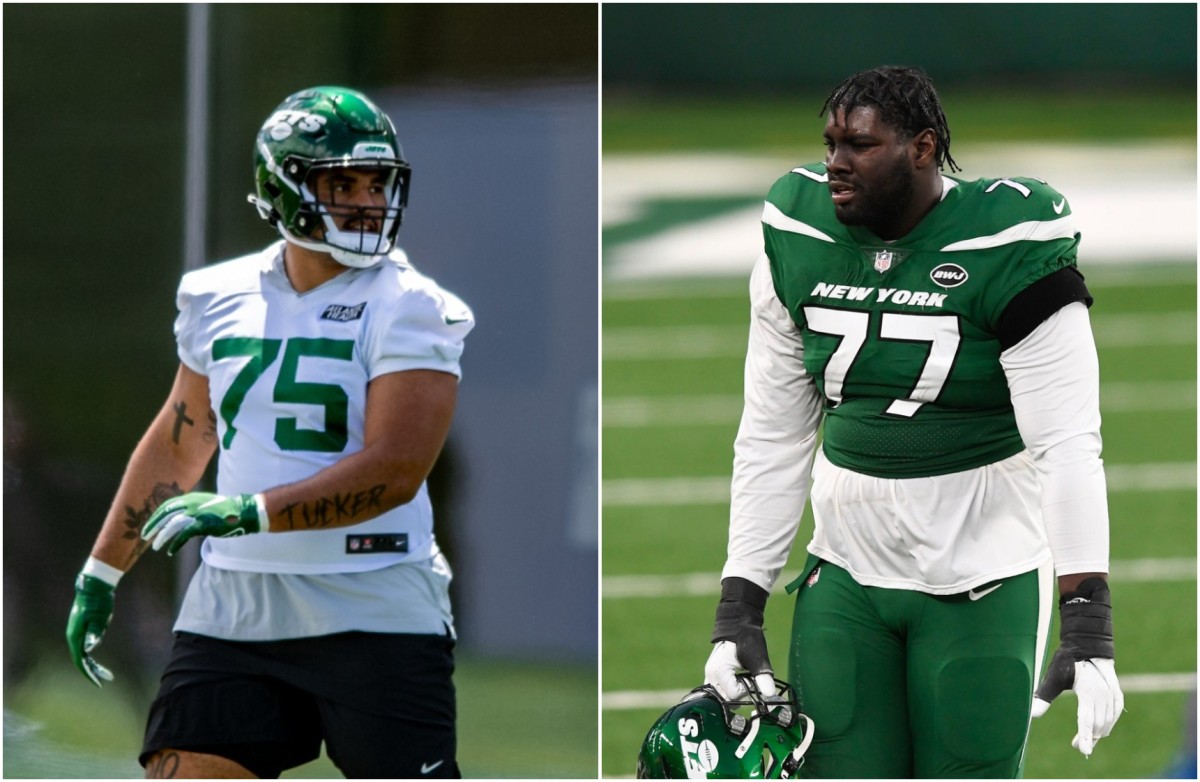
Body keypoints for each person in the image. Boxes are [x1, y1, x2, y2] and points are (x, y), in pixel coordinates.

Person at [702, 66, 1123, 778]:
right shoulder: (797, 230)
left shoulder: (1008, 240)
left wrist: (1089, 623)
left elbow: (1067, 442)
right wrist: (738, 605)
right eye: (831, 142)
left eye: (860, 144)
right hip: (845, 568)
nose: (835, 162)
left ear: (922, 148)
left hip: (981, 572)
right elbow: (774, 432)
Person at [65, 85, 473, 779]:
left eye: (378, 183)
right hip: (235, 607)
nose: (368, 202)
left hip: (372, 601)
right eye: (342, 182)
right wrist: (104, 569)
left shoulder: (412, 307)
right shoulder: (215, 295)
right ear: (280, 186)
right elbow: (181, 437)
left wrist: (247, 512)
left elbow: (396, 469)